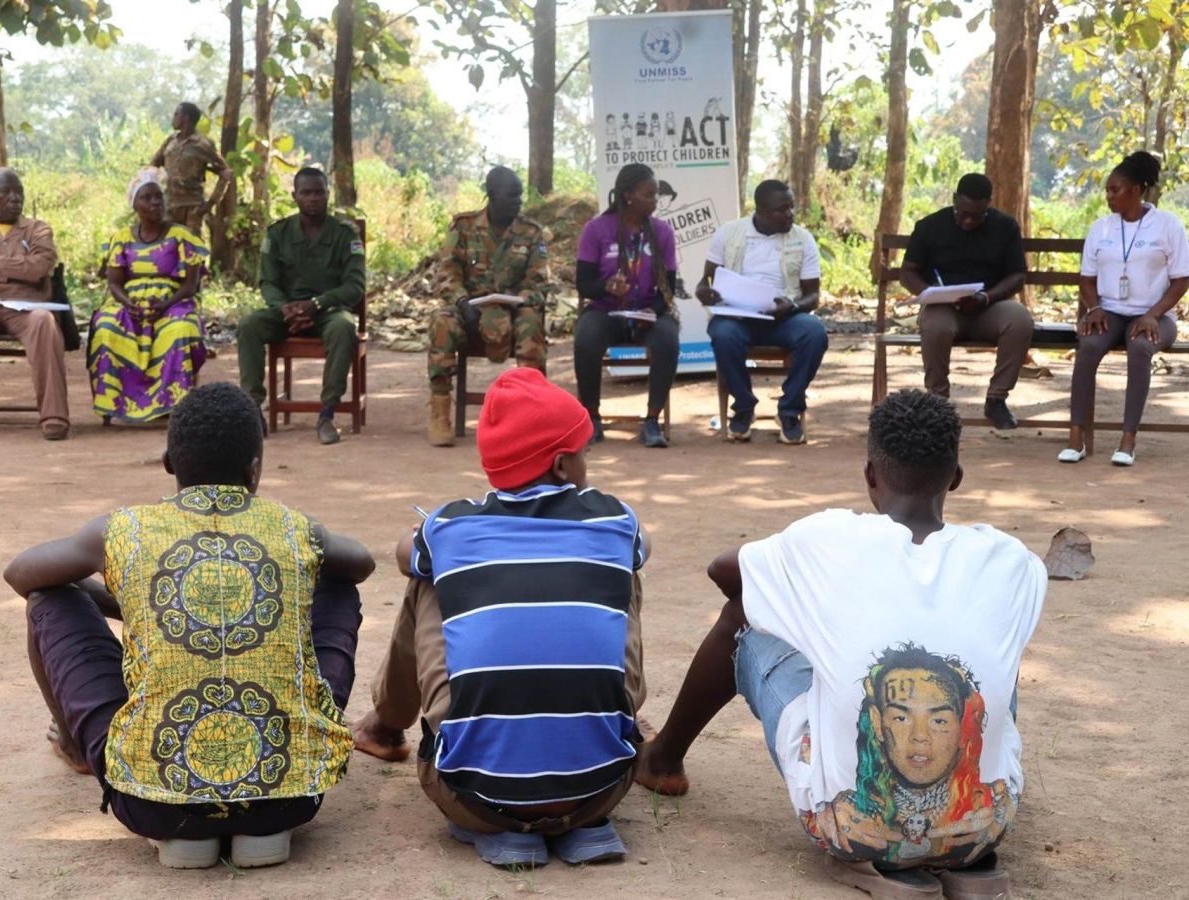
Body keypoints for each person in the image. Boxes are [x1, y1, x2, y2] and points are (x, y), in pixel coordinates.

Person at [635, 389, 1045, 900]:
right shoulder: (1012, 559)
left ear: (870, 475)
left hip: (847, 827)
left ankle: (662, 760)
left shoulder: (829, 538)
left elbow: (723, 570)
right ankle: (961, 838)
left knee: (744, 619)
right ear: (956, 477)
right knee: (986, 653)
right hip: (985, 829)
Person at [4, 382, 374, 870]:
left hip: (152, 804)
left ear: (168, 463)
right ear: (255, 470)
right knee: (338, 583)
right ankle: (269, 808)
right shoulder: (296, 529)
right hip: (290, 797)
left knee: (50, 594)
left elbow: (21, 574)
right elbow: (362, 562)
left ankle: (76, 747)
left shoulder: (120, 530)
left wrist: (130, 598)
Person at [352, 368, 650, 868]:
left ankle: (384, 726)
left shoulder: (450, 526)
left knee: (429, 575)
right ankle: (595, 740)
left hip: (473, 801)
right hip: (601, 793)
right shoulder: (614, 518)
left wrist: (431, 537)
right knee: (624, 569)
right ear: (562, 466)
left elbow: (405, 556)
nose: (588, 463)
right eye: (584, 453)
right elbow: (642, 547)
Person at [1059, 151, 1189, 467]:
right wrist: (1094, 308)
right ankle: (1076, 438)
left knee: (1141, 347)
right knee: (1089, 345)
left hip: (1156, 315)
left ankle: (1128, 440)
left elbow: (1181, 280)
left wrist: (1153, 314)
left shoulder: (1167, 225)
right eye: (1107, 190)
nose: (1108, 196)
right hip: (1110, 312)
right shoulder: (1101, 228)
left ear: (1136, 189)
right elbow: (1086, 279)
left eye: (1114, 190)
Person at [237, 167, 365, 445]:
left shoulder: (345, 234)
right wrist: (284, 307)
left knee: (344, 327)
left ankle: (327, 413)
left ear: (328, 194)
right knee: (249, 325)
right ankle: (252, 410)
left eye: (319, 192)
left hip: (328, 313)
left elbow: (355, 287)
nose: (313, 198)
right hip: (287, 314)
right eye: (306, 193)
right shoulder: (278, 233)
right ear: (295, 196)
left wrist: (317, 304)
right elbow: (268, 282)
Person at [426, 165, 550, 447]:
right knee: (441, 321)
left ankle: (532, 413)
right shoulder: (464, 227)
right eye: (511, 196)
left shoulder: (531, 232)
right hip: (469, 307)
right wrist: (462, 303)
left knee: (532, 323)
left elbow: (538, 281)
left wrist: (515, 301)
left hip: (514, 309)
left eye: (520, 195)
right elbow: (447, 272)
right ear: (492, 195)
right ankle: (440, 411)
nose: (518, 202)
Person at [697, 179, 829, 444]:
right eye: (782, 209)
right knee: (722, 333)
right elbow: (705, 281)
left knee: (815, 333)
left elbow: (813, 296)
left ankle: (789, 410)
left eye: (791, 207)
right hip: (738, 317)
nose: (790, 214)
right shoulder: (729, 233)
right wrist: (704, 292)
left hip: (784, 318)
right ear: (761, 211)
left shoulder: (802, 239)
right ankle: (744, 407)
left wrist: (792, 306)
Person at [900, 174, 1031, 430]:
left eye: (977, 216)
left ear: (988, 205)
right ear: (954, 201)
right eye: (963, 214)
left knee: (1020, 320)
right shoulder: (930, 226)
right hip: (943, 307)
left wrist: (986, 297)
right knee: (936, 327)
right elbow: (907, 271)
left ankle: (996, 399)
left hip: (988, 305)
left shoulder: (1005, 227)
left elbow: (1017, 276)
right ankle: (938, 402)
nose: (969, 221)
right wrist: (929, 293)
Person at [88, 169, 208, 424]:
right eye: (147, 198)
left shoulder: (181, 236)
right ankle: (113, 402)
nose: (155, 202)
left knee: (181, 329)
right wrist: (129, 304)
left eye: (158, 197)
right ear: (135, 205)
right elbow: (114, 283)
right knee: (106, 327)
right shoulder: (122, 239)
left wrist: (165, 304)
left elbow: (190, 284)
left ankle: (175, 403)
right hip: (129, 304)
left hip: (173, 302)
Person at [574, 163, 680, 448]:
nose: (655, 200)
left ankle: (652, 421)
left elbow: (669, 288)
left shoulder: (662, 232)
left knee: (668, 339)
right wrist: (606, 287)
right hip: (606, 311)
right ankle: (591, 418)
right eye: (649, 194)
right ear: (628, 196)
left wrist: (653, 311)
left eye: (656, 194)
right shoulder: (596, 229)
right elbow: (583, 284)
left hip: (647, 311)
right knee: (586, 338)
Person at [0, 167, 67, 439]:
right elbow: (28, 268)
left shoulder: (38, 229)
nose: (15, 198)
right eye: (6, 192)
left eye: (19, 192)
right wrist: (17, 268)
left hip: (26, 307)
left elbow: (37, 269)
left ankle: (54, 417)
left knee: (44, 322)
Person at [150, 102, 233, 236]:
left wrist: (211, 203)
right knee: (166, 246)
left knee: (191, 246)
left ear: (186, 118)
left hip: (192, 208)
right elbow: (153, 166)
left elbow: (226, 173)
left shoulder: (203, 144)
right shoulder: (171, 141)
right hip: (169, 206)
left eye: (176, 114)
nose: (173, 118)